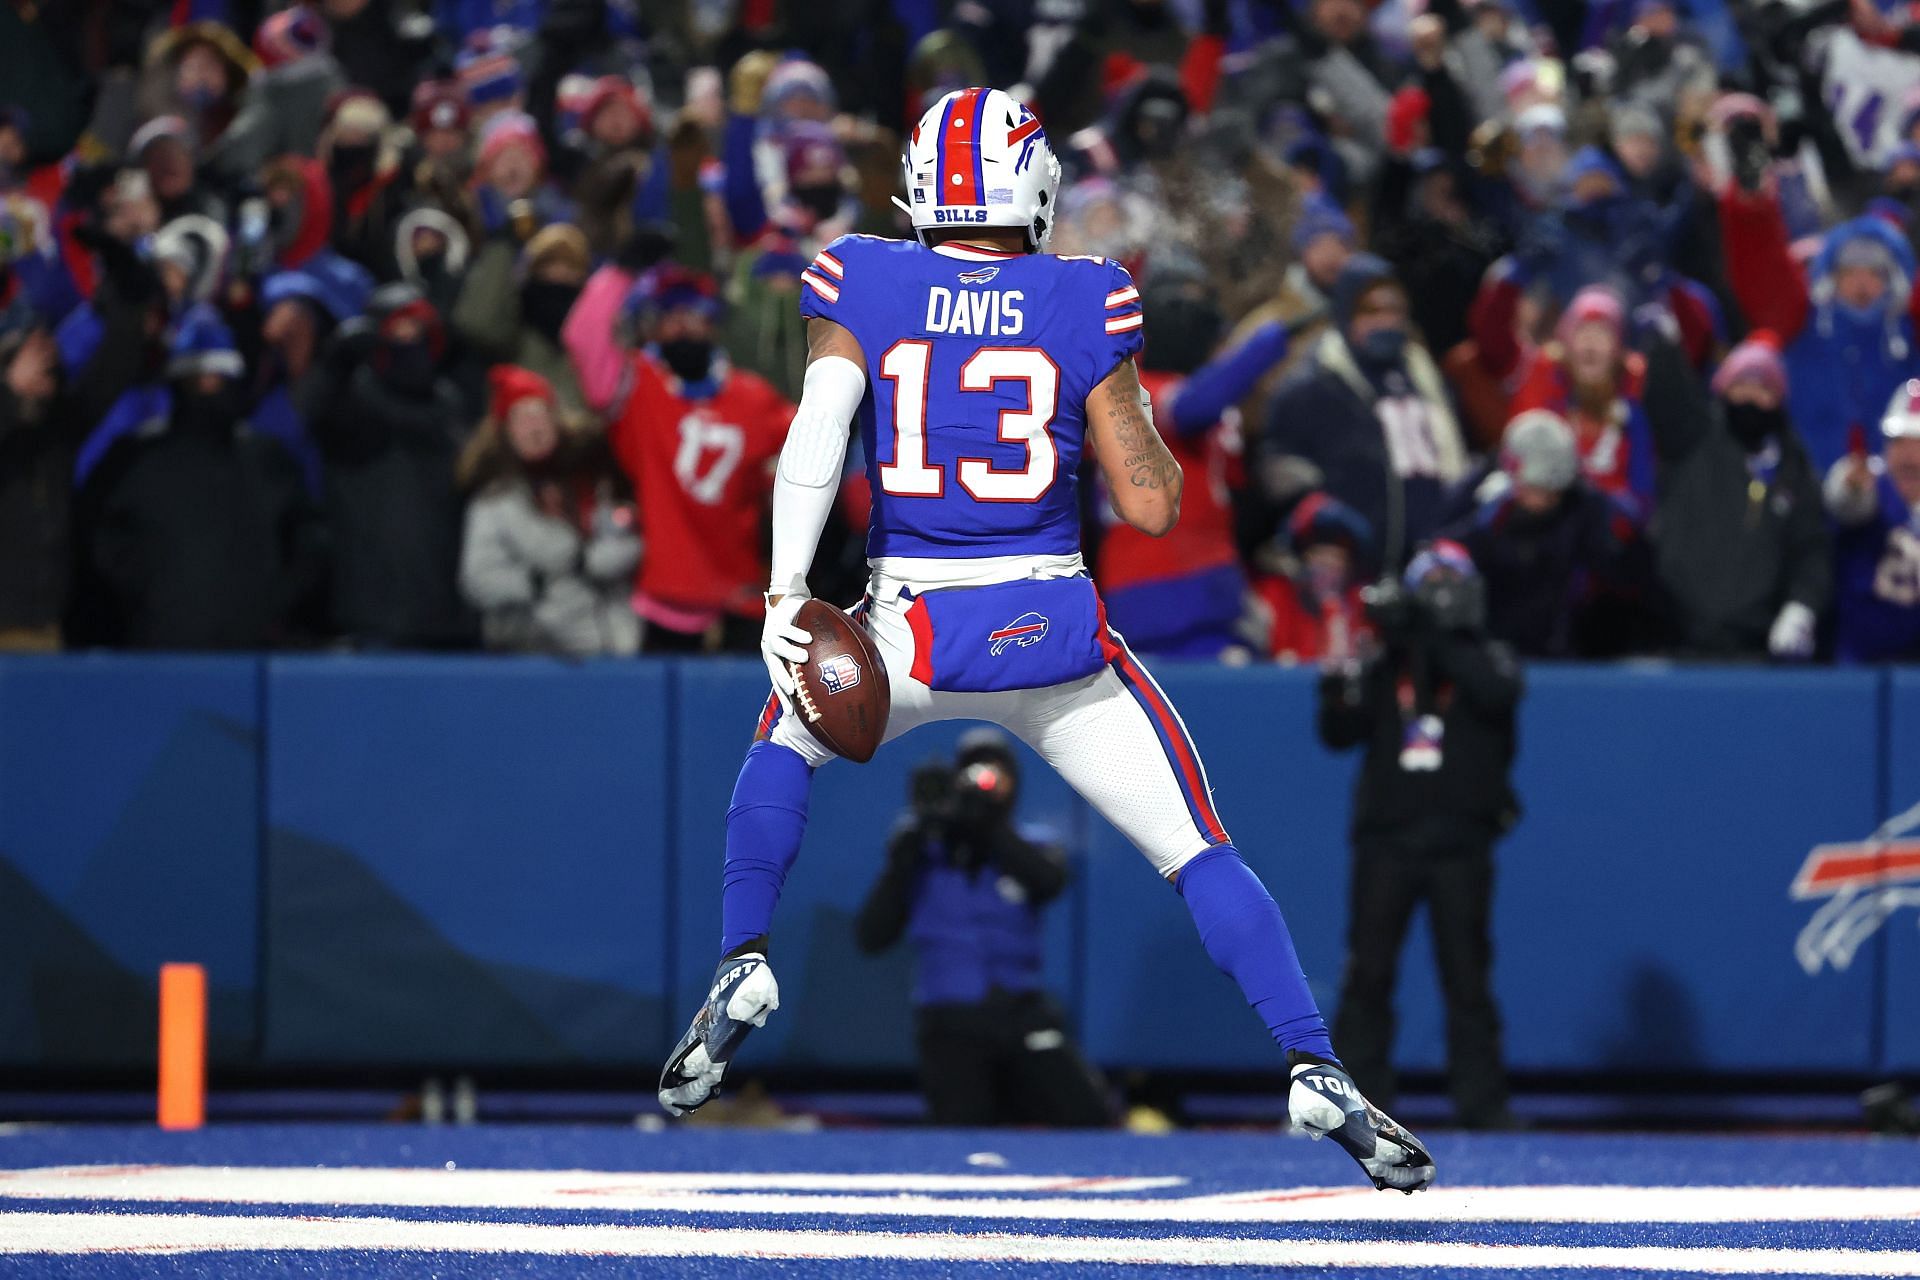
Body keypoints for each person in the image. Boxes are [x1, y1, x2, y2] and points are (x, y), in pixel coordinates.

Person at [657, 87, 1432, 1194]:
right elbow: (1154, 507)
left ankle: (743, 957)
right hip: (1050, 631)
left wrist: (786, 595)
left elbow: (816, 436)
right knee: (1196, 845)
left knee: (782, 744)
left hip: (908, 622)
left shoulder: (864, 274)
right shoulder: (1084, 296)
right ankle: (1314, 1061)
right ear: (1034, 189)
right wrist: (1124, 394)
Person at [1318, 541, 1520, 1130]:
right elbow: (1337, 731)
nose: (1438, 599)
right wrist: (1340, 676)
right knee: (1369, 974)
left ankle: (1483, 1106)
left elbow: (1495, 694)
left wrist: (1431, 634)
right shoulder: (1387, 661)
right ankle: (1358, 1108)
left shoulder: (1490, 658)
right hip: (1389, 841)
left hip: (1461, 843)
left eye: (1448, 586)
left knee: (1468, 980)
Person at [854, 730, 1110, 1128]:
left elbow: (1047, 882)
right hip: (951, 1020)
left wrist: (986, 825)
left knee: (1089, 1116)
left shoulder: (1033, 843)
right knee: (964, 1129)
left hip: (1020, 1012)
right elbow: (872, 936)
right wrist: (910, 853)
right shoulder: (923, 848)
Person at [608, 265, 794, 653]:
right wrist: (616, 274)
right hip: (665, 594)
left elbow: (815, 440)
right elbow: (589, 344)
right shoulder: (639, 387)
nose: (685, 328)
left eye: (695, 317)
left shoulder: (754, 398)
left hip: (741, 592)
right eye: (673, 318)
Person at [1644, 328, 1831, 660]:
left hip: (1758, 650)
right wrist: (1665, 347)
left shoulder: (1794, 468)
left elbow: (1812, 548)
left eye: (1763, 389)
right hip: (1677, 641)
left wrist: (1802, 606)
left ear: (1780, 400)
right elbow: (1668, 398)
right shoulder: (1693, 442)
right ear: (1722, 390)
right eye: (1741, 385)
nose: (1750, 397)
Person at [457, 365, 640, 656]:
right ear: (506, 430)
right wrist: (534, 583)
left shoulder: (594, 478)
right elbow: (478, 579)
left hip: (614, 646)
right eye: (523, 417)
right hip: (535, 652)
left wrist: (592, 562)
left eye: (542, 414)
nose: (536, 426)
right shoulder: (494, 502)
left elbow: (634, 539)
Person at [1826, 380, 1920, 663]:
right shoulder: (1872, 484)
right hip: (1859, 669)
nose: (1909, 457)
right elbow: (1846, 499)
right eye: (1899, 442)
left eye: (1918, 444)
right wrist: (1851, 487)